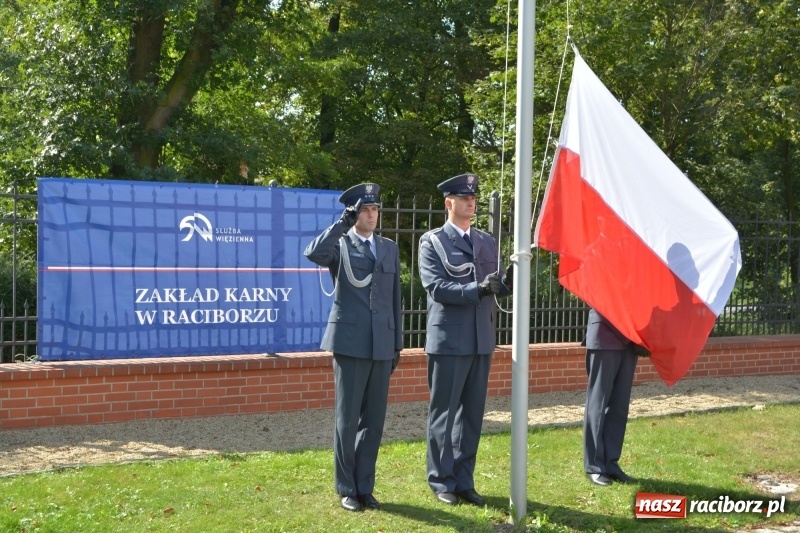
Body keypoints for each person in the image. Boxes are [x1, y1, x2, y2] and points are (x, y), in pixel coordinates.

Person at [304, 182, 402, 512]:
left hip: (381, 344)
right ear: (354, 214)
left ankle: (365, 486)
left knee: (373, 421)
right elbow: (314, 253)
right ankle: (347, 487)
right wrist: (340, 225)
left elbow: (394, 299)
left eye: (375, 209)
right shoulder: (341, 245)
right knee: (347, 421)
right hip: (350, 342)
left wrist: (398, 343)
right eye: (365, 210)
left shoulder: (388, 248)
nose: (372, 215)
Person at [417, 173, 512, 507]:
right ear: (449, 203)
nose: (471, 202)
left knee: (472, 414)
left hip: (480, 339)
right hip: (449, 340)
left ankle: (463, 479)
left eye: (473, 198)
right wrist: (478, 289)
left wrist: (507, 281)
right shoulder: (432, 242)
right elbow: (437, 288)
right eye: (463, 197)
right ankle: (441, 480)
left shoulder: (486, 241)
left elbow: (495, 284)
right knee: (444, 414)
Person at [582, 307, 640, 486]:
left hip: (630, 340)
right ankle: (594, 466)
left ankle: (611, 462)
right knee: (597, 405)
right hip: (605, 335)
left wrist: (640, 337)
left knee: (619, 405)